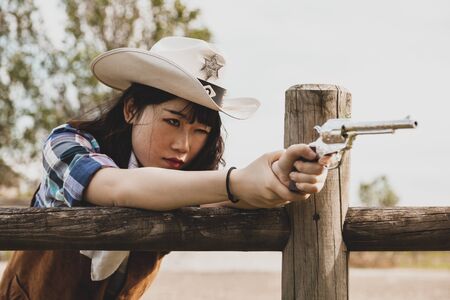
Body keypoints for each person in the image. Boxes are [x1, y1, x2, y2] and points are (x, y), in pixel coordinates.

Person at [0, 36, 331, 300]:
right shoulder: (69, 144)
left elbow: (239, 195)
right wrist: (238, 182)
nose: (184, 146)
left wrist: (283, 178)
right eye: (173, 121)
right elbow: (118, 188)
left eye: (200, 131)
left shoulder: (189, 181)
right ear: (131, 109)